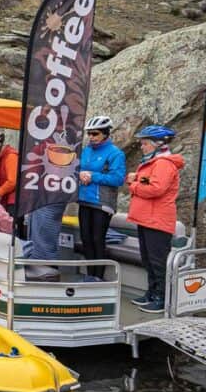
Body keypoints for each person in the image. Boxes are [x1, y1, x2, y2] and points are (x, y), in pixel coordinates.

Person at [126, 125, 185, 313]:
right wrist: (138, 179)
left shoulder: (164, 163)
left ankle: (161, 298)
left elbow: (156, 188)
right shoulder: (155, 163)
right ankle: (151, 292)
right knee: (148, 260)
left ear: (157, 144)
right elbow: (149, 181)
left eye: (144, 143)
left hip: (157, 220)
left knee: (158, 262)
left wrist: (134, 184)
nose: (141, 147)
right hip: (147, 219)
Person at [77, 115, 127, 280]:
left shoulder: (115, 153)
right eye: (89, 134)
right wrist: (80, 174)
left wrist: (92, 176)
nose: (91, 137)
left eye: (95, 134)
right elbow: (78, 170)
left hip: (102, 202)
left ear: (105, 133)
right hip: (85, 200)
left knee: (97, 239)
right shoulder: (86, 150)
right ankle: (90, 275)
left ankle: (99, 277)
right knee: (85, 238)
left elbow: (118, 179)